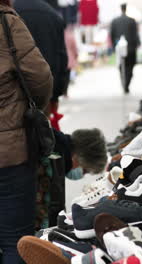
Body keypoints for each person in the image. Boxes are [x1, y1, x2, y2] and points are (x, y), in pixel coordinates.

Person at [0, 1, 53, 262]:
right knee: (15, 241)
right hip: (10, 153)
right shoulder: (5, 21)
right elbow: (40, 78)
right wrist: (28, 110)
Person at [36, 128, 108, 229]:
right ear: (79, 156)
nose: (81, 175)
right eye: (85, 170)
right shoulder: (56, 156)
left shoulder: (56, 140)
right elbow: (53, 205)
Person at [14, 0, 68, 130]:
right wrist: (57, 94)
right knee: (42, 137)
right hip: (45, 92)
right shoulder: (53, 15)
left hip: (14, 91)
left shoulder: (10, 12)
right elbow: (61, 57)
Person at [110, 3, 140, 94]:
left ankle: (124, 83)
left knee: (122, 66)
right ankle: (126, 84)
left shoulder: (115, 21)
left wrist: (113, 46)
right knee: (130, 67)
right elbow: (136, 34)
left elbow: (112, 34)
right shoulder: (132, 20)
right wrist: (138, 44)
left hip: (120, 48)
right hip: (131, 48)